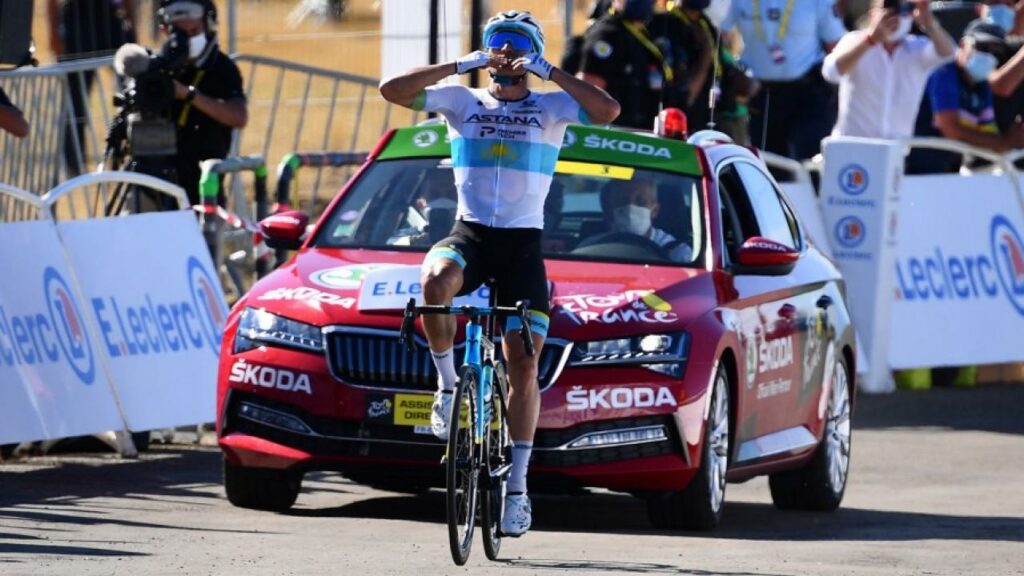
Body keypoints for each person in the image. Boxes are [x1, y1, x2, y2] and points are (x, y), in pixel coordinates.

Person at [379, 11, 619, 537]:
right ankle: (447, 390)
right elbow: (391, 90)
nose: (505, 59)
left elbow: (608, 110)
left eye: (517, 50)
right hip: (471, 233)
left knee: (524, 365)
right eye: (497, 49)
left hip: (521, 248)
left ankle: (517, 491)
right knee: (434, 283)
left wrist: (549, 69)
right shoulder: (462, 101)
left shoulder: (552, 107)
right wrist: (462, 64)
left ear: (529, 57)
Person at [720, 0, 847, 159]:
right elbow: (718, 34)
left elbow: (835, 45)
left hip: (807, 92)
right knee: (768, 163)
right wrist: (732, 70)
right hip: (760, 94)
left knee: (810, 160)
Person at [159, 0, 248, 206]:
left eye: (194, 31)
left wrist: (189, 95)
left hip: (205, 185)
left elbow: (239, 116)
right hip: (159, 182)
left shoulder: (223, 68)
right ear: (165, 30)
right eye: (180, 33)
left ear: (208, 26)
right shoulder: (156, 69)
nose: (187, 39)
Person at [822, 0, 954, 139]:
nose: (895, 17)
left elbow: (948, 54)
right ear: (872, 14)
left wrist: (929, 25)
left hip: (894, 150)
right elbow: (831, 72)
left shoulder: (918, 48)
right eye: (888, 7)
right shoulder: (853, 40)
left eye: (902, 8)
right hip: (852, 147)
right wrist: (870, 41)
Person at [48, 0, 137, 175]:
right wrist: (53, 31)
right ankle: (73, 164)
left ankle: (134, 153)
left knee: (134, 92)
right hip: (76, 22)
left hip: (111, 20)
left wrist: (132, 25)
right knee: (75, 99)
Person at [921, 19, 1024, 166]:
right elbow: (951, 130)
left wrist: (1010, 141)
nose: (989, 56)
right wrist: (1005, 142)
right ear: (963, 45)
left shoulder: (982, 86)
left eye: (996, 52)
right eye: (982, 47)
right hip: (918, 168)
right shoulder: (944, 73)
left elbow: (989, 133)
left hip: (948, 171)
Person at [578, 0, 679, 129]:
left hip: (641, 131)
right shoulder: (607, 34)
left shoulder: (645, 36)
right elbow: (587, 94)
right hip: (613, 134)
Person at [580, 177, 693, 262]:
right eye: (622, 201)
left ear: (655, 211)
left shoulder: (678, 253)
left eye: (641, 202)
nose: (630, 207)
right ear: (609, 211)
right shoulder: (590, 248)